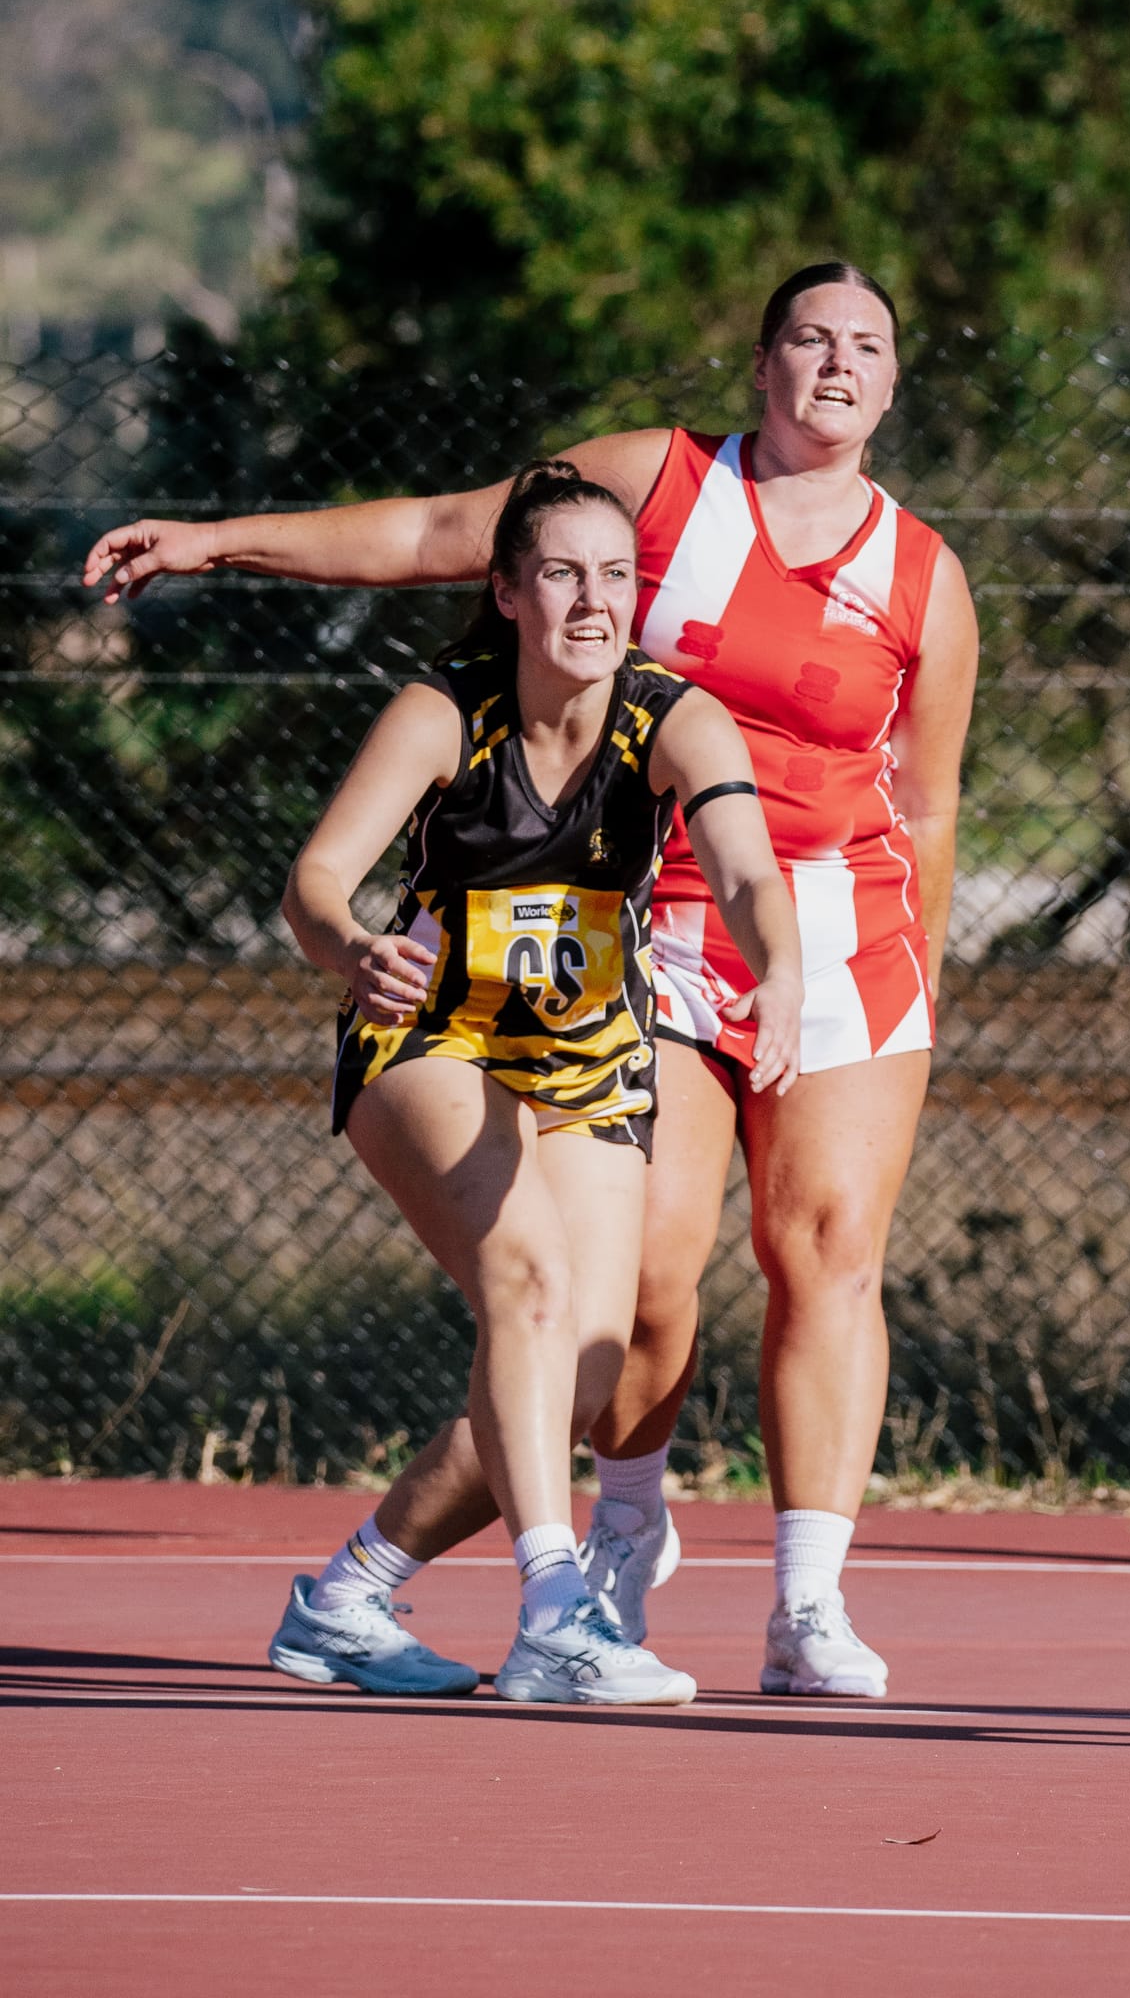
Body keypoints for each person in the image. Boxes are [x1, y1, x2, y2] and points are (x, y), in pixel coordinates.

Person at [86, 261, 979, 1701]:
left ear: (891, 380)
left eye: (866, 344)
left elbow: (925, 806)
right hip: (645, 929)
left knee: (825, 1256)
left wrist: (898, 978)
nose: (836, 362)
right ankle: (614, 1532)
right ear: (760, 364)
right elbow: (438, 529)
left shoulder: (921, 576)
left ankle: (803, 1605)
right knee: (630, 1298)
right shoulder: (651, 493)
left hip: (828, 933)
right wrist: (219, 542)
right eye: (809, 337)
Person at [269, 458, 803, 1706]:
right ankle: (556, 1614)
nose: (592, 601)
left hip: (583, 1056)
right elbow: (313, 884)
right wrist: (351, 949)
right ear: (508, 593)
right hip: (430, 1038)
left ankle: (345, 1598)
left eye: (615, 575)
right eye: (561, 574)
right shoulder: (442, 712)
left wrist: (778, 970)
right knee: (530, 1281)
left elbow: (745, 870)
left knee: (586, 1368)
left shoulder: (675, 719)